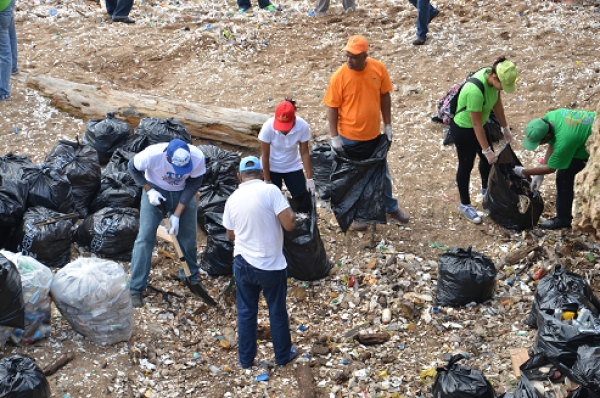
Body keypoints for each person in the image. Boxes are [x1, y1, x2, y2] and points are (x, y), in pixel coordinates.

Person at [324, 34, 409, 232]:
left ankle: (391, 207)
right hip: (348, 138)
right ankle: (354, 215)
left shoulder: (378, 69)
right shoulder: (340, 76)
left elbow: (384, 95)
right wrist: (334, 136)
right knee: (351, 178)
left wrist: (388, 125)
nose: (349, 60)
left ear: (364, 56)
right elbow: (332, 107)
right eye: (347, 55)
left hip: (372, 136)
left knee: (381, 175)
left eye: (353, 56)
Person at [223, 156, 297, 368]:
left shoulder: (232, 198)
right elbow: (290, 224)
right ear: (263, 174)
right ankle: (283, 355)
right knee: (276, 310)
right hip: (270, 265)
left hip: (243, 263)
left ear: (239, 177)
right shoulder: (270, 190)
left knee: (246, 312)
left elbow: (230, 234)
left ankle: (245, 360)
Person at [128, 138, 206, 308]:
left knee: (189, 238)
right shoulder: (152, 155)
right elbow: (132, 167)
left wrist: (177, 215)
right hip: (156, 190)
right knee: (145, 238)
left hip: (182, 191)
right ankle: (135, 288)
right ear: (167, 157)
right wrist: (149, 191)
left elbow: (193, 185)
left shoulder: (197, 157)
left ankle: (190, 276)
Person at [450, 57, 518, 224]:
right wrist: (486, 150)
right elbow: (475, 124)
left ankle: (485, 189)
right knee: (466, 164)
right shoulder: (475, 90)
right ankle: (465, 204)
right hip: (464, 128)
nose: (502, 89)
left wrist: (505, 128)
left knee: (488, 161)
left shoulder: (494, 79)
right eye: (503, 85)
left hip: (480, 124)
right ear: (494, 77)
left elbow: (497, 105)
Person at [513, 109, 595, 229]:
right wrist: (540, 170)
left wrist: (524, 171)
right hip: (587, 130)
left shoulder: (564, 141)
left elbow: (551, 168)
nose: (539, 145)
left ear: (547, 136)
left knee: (564, 177)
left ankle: (563, 219)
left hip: (593, 141)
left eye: (539, 142)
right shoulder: (550, 118)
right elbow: (552, 142)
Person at [259, 99, 315, 198]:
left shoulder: (302, 126)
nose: (283, 129)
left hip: (293, 166)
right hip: (272, 167)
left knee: (302, 199)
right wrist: (267, 180)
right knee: (271, 201)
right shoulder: (268, 127)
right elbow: (265, 155)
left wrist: (310, 178)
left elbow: (304, 152)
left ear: (294, 119)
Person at [0, 0, 15, 100]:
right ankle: (13, 67)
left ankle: (3, 91)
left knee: (4, 51)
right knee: (10, 33)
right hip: (7, 3)